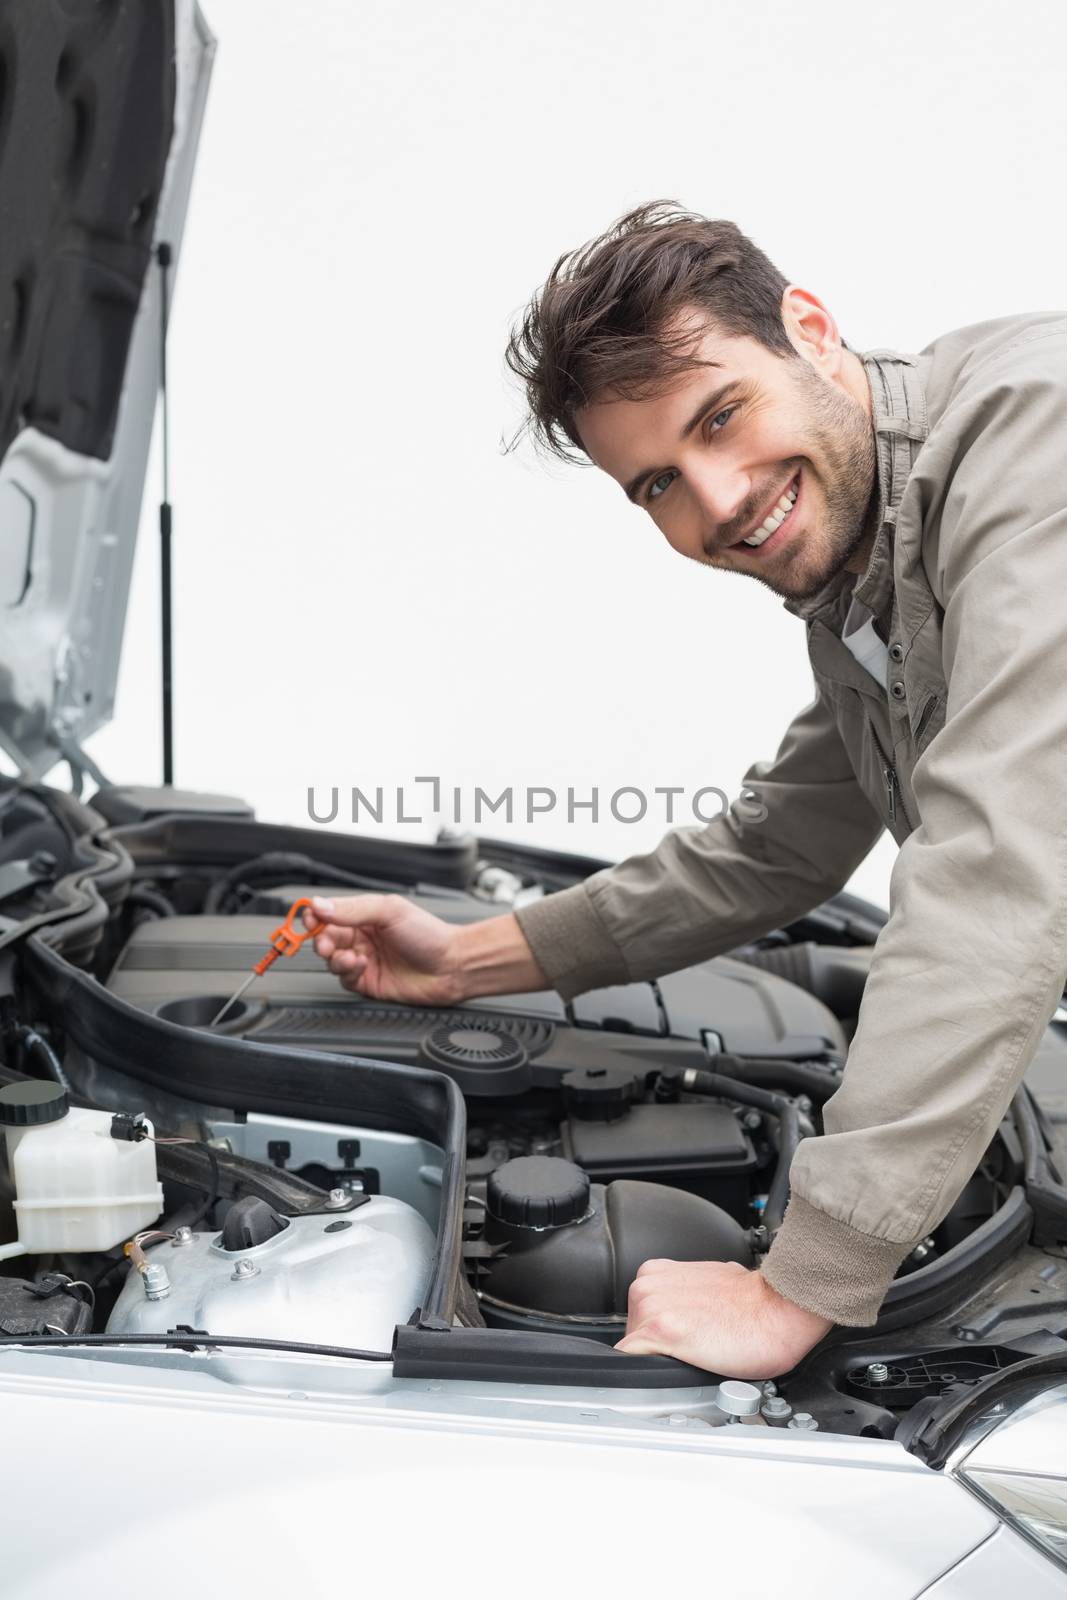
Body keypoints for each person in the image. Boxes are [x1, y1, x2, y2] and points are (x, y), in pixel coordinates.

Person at [307, 201, 1067, 1378]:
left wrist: (797, 1283)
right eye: (657, 481)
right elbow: (783, 837)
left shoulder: (1032, 448)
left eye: (721, 417)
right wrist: (465, 960)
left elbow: (994, 863)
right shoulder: (873, 550)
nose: (715, 502)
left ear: (807, 329)